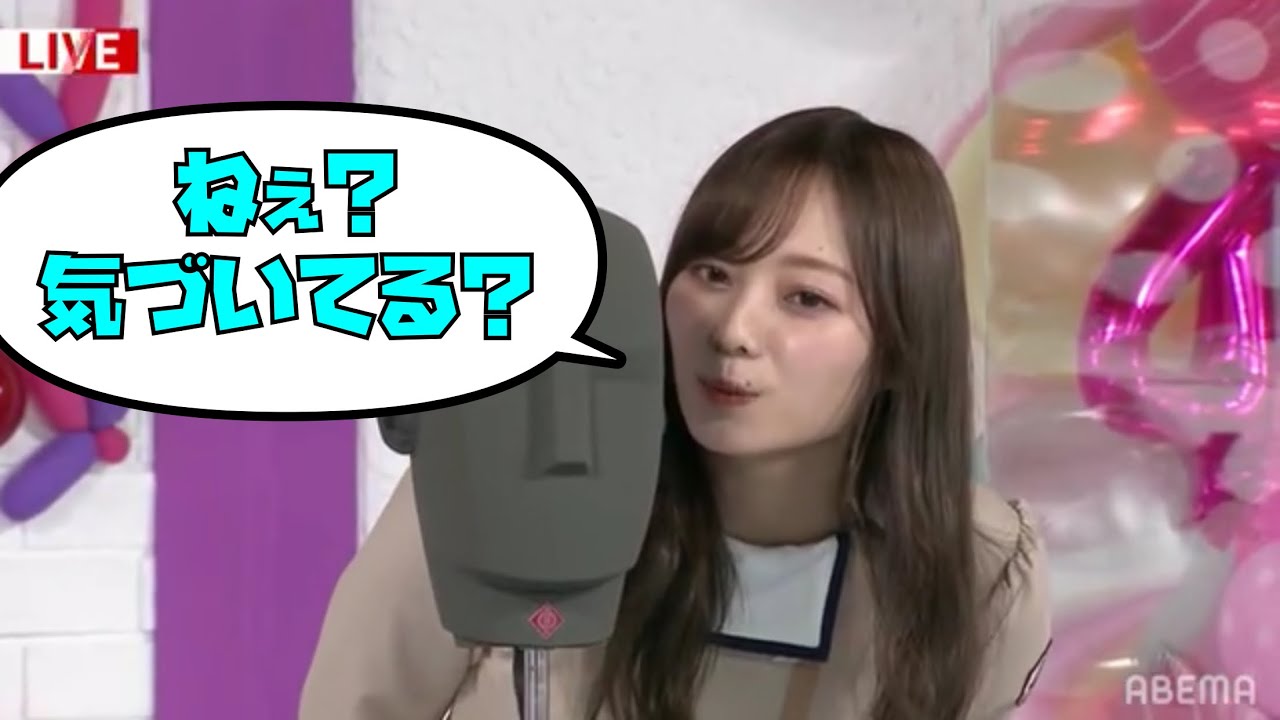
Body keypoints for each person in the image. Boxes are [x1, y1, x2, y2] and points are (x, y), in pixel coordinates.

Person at [299, 106, 1052, 719]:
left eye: (805, 298)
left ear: (898, 347)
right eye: (713, 273)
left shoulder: (980, 574)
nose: (733, 330)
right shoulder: (501, 475)